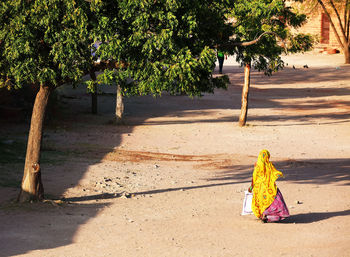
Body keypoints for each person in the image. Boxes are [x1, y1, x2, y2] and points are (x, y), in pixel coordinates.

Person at [248, 149, 290, 222]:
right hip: (268, 186)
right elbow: (273, 172)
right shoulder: (269, 164)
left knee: (260, 202)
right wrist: (278, 174)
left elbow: (254, 177)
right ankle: (270, 216)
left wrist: (251, 187)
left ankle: (262, 215)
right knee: (272, 200)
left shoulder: (257, 164)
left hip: (259, 187)